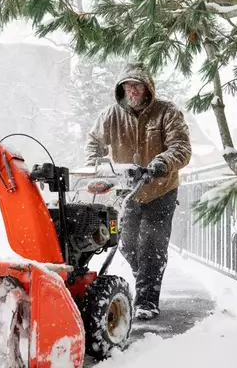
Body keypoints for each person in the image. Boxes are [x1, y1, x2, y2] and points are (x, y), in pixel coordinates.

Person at [84, 62, 192, 320]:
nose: (133, 91)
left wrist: (162, 163)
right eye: (128, 86)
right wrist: (97, 166)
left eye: (138, 85)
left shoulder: (167, 112)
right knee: (128, 244)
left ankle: (146, 300)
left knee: (153, 246)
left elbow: (181, 147)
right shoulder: (111, 115)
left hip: (161, 190)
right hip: (126, 191)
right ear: (122, 89)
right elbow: (93, 143)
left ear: (148, 88)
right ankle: (142, 273)